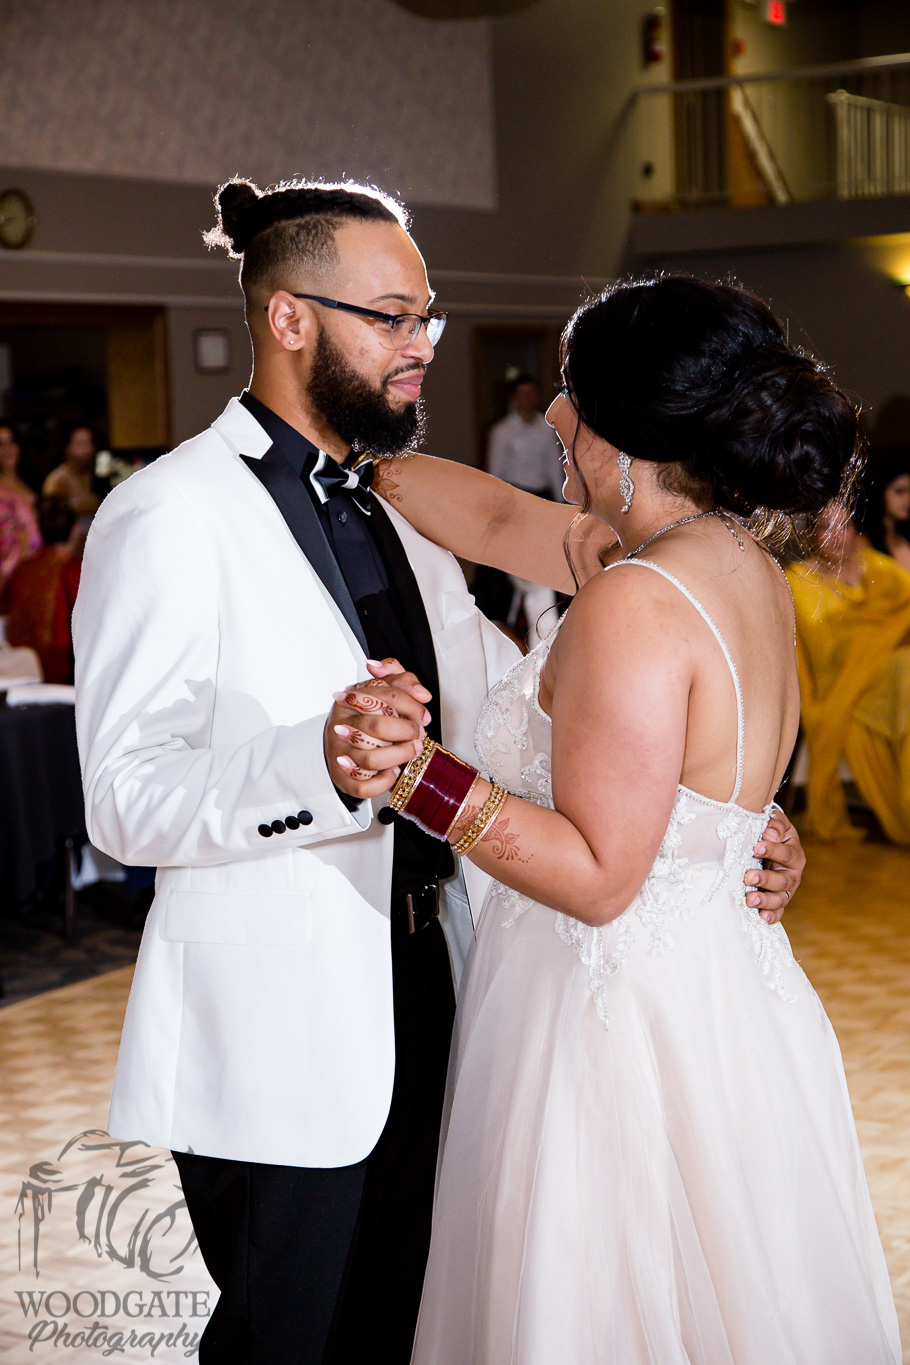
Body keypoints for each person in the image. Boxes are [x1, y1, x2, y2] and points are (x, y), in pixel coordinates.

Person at [72, 183, 803, 1365]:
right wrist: (317, 760)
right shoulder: (166, 515)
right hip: (281, 1032)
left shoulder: (405, 509)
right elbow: (122, 798)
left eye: (429, 319)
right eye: (393, 317)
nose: (421, 347)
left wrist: (713, 824)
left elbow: (525, 718)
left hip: (457, 991)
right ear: (290, 318)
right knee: (286, 1340)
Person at [355, 275, 900, 1363]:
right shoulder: (735, 564)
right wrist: (349, 466)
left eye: (570, 391)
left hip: (608, 1030)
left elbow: (601, 876)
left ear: (626, 433)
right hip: (723, 1009)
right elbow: (503, 516)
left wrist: (412, 775)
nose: (551, 415)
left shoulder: (634, 601)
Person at [787, 503, 910, 843]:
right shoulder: (798, 579)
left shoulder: (877, 566)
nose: (836, 536)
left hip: (888, 677)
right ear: (812, 533)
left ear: (857, 530)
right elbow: (820, 648)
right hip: (838, 684)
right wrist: (872, 639)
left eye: (845, 525)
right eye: (826, 527)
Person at [476, 373, 565, 641]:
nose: (529, 399)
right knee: (514, 567)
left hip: (540, 498)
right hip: (513, 499)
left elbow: (553, 466)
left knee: (543, 564)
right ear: (514, 398)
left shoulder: (545, 427)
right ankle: (512, 623)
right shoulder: (501, 431)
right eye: (523, 394)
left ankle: (543, 625)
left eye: (532, 393)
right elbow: (494, 473)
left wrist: (560, 504)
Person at [6, 496, 82, 684]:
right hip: (62, 675)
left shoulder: (23, 569)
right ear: (75, 531)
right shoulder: (76, 570)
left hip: (20, 671)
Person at [0, 422, 42, 600]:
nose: (7, 449)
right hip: (12, 576)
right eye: (0, 444)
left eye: (11, 442)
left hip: (36, 570)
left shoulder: (27, 483)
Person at [858, 446, 910, 571]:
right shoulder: (862, 543)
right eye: (899, 491)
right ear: (880, 492)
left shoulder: (904, 538)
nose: (907, 498)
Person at [43, 423, 100, 521]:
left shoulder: (92, 475)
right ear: (67, 447)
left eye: (89, 443)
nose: (87, 449)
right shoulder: (57, 480)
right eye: (80, 444)